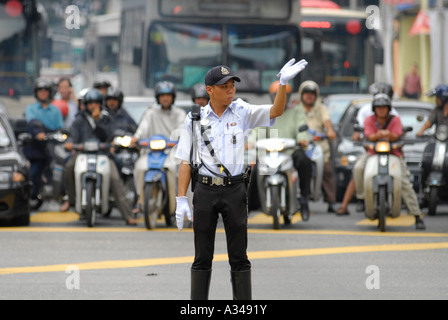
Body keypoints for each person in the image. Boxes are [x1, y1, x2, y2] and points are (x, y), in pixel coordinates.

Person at [175, 59, 308, 300]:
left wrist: (283, 83)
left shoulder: (242, 111)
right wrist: (181, 198)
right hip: (204, 190)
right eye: (224, 86)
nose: (230, 90)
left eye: (232, 86)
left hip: (235, 189)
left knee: (239, 256)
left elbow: (275, 111)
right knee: (202, 257)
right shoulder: (194, 118)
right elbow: (185, 160)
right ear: (209, 90)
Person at [61, 89, 137, 225]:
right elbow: (72, 135)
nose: (93, 106)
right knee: (68, 166)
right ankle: (71, 199)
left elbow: (109, 136)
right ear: (86, 104)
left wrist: (98, 122)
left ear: (100, 104)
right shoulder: (80, 119)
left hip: (103, 154)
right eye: (90, 103)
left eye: (96, 103)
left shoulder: (107, 119)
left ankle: (128, 214)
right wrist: (70, 143)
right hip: (82, 153)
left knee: (115, 178)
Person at [352, 93, 425, 230]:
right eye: (378, 107)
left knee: (404, 181)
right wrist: (381, 135)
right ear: (374, 109)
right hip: (373, 153)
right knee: (358, 168)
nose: (381, 110)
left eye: (384, 107)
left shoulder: (395, 120)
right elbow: (369, 135)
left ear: (388, 108)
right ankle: (361, 198)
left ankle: (417, 215)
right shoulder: (369, 120)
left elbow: (397, 135)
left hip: (393, 154)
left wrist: (385, 135)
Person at [249, 81, 312, 220]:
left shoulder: (297, 110)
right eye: (276, 95)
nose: (280, 97)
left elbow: (302, 127)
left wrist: (302, 139)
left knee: (305, 162)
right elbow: (257, 130)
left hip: (290, 150)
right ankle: (249, 205)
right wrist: (251, 142)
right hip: (269, 151)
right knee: (253, 169)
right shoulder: (267, 110)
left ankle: (304, 199)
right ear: (271, 96)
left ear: (289, 96)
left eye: (284, 94)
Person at [337, 83, 398, 215]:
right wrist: (362, 135)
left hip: (390, 150)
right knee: (359, 170)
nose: (381, 107)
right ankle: (358, 199)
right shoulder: (365, 111)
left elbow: (398, 131)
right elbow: (358, 131)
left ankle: (413, 211)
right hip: (369, 148)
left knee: (402, 177)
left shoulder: (393, 113)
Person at [130, 81, 186, 215]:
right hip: (152, 151)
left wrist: (179, 139)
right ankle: (140, 198)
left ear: (172, 97)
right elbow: (143, 127)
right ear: (157, 97)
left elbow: (182, 129)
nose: (165, 98)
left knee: (174, 169)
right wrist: (136, 138)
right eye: (162, 95)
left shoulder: (180, 113)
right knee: (139, 167)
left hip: (171, 151)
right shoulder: (151, 113)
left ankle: (177, 202)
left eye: (168, 95)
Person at [296, 80, 337, 213]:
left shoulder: (321, 108)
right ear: (301, 95)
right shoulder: (295, 109)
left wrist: (329, 130)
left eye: (312, 93)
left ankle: (331, 201)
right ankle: (298, 197)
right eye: (306, 93)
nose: (309, 96)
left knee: (327, 171)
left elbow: (327, 122)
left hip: (319, 145)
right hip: (301, 146)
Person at [24, 78, 64, 210]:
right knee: (34, 173)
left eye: (45, 90)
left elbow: (60, 128)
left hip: (53, 146)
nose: (43, 93)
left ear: (50, 93)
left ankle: (63, 196)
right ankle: (33, 196)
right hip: (37, 149)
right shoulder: (31, 109)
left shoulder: (55, 110)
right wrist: (38, 133)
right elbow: (31, 124)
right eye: (40, 90)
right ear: (36, 93)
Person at [416, 84, 448, 199]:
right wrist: (420, 131)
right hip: (438, 142)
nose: (437, 100)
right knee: (426, 161)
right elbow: (428, 123)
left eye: (438, 98)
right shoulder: (436, 111)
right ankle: (424, 190)